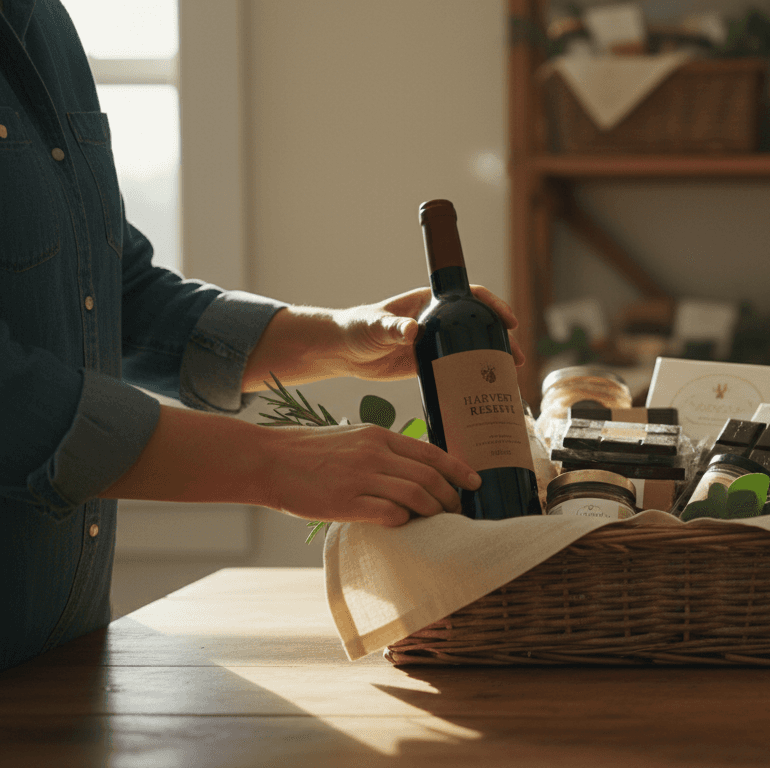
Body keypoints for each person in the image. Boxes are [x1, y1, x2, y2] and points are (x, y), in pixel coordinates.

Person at [0, 0, 522, 670]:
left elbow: (112, 293)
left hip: (62, 653)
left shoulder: (43, 25)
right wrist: (275, 463)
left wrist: (341, 337)